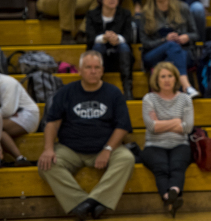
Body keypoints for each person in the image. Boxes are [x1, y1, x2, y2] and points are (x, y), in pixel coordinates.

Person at [38, 51, 135, 221]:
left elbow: (123, 126)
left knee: (127, 159)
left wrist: (108, 149)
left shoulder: (113, 93)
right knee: (46, 165)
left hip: (105, 148)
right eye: (88, 67)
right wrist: (48, 148)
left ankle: (90, 203)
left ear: (102, 70)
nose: (93, 71)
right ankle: (83, 202)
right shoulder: (66, 92)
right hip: (70, 149)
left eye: (97, 67)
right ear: (80, 70)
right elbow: (52, 122)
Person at [141, 62, 193, 217]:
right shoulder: (149, 99)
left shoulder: (185, 99)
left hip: (180, 144)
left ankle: (170, 194)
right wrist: (176, 121)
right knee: (161, 167)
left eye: (170, 76)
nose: (166, 80)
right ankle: (172, 196)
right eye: (163, 76)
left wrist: (160, 123)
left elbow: (188, 128)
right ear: (156, 80)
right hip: (153, 145)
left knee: (177, 166)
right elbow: (151, 127)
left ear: (175, 79)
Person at [140, 0, 200, 98]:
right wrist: (164, 40)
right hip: (153, 54)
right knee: (172, 46)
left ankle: (171, 97)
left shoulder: (183, 8)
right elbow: (145, 42)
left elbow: (196, 34)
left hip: (181, 51)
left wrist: (186, 37)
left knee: (174, 54)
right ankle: (186, 86)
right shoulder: (146, 13)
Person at [85, 0, 134, 100]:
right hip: (100, 57)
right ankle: (95, 87)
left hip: (120, 57)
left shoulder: (125, 14)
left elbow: (129, 37)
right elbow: (90, 38)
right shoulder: (91, 14)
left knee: (124, 46)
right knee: (97, 47)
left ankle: (127, 90)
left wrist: (117, 39)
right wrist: (104, 38)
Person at [0, 73, 39, 166]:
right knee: (2, 133)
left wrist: (8, 113)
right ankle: (20, 158)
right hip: (11, 117)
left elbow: (8, 110)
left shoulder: (8, 83)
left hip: (27, 115)